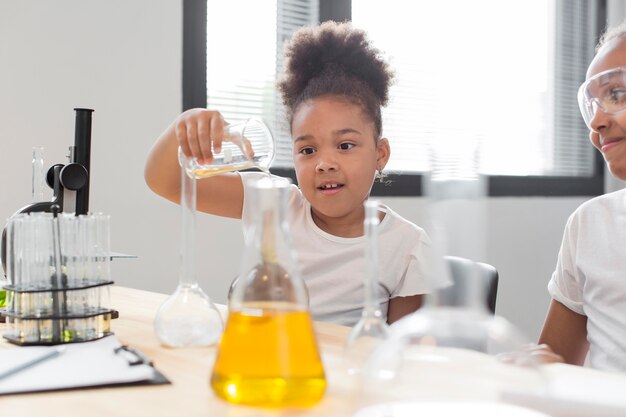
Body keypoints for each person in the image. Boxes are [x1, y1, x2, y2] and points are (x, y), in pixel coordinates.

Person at [144, 21, 432, 327]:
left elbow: (403, 352)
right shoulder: (273, 203)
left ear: (380, 153)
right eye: (308, 151)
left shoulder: (407, 246)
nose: (325, 163)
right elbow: (165, 182)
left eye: (345, 145)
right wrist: (186, 123)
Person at [536, 19, 626, 371]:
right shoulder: (591, 223)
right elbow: (553, 363)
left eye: (617, 94)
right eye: (593, 104)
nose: (596, 122)